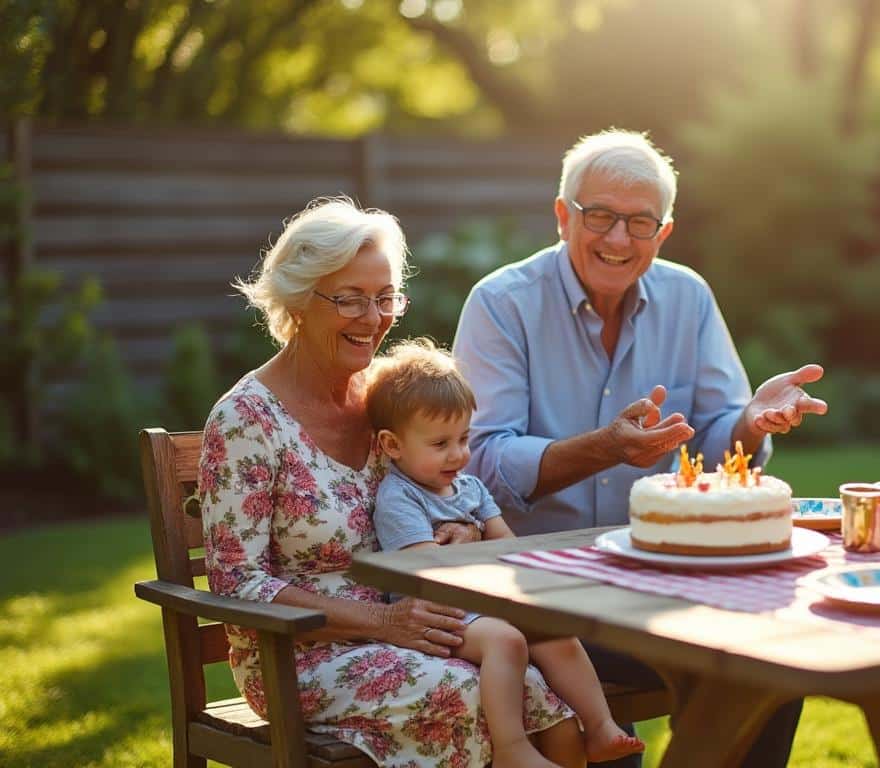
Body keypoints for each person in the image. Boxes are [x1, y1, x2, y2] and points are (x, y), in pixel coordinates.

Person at [453, 129, 828, 766]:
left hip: (658, 580)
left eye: (639, 222)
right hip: (534, 593)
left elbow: (712, 444)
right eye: (599, 216)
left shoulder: (690, 297)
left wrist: (749, 426)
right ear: (563, 214)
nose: (618, 239)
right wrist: (603, 448)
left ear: (664, 232)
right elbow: (480, 462)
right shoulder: (501, 304)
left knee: (772, 657)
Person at [201, 197, 578, 768]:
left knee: (537, 684)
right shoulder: (245, 421)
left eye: (384, 298)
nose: (373, 318)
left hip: (415, 622)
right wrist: (382, 621)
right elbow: (235, 582)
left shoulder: (386, 399)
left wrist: (464, 538)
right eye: (349, 298)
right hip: (299, 655)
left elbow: (448, 493)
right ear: (299, 301)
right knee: (466, 693)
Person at [366, 337, 645, 767]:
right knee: (507, 640)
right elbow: (429, 573)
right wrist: (482, 547)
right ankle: (512, 747)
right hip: (436, 618)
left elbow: (510, 547)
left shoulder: (470, 488)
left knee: (555, 630)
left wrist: (481, 538)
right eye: (440, 444)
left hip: (481, 604)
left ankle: (602, 726)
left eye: (464, 438)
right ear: (392, 445)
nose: (458, 454)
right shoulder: (400, 498)